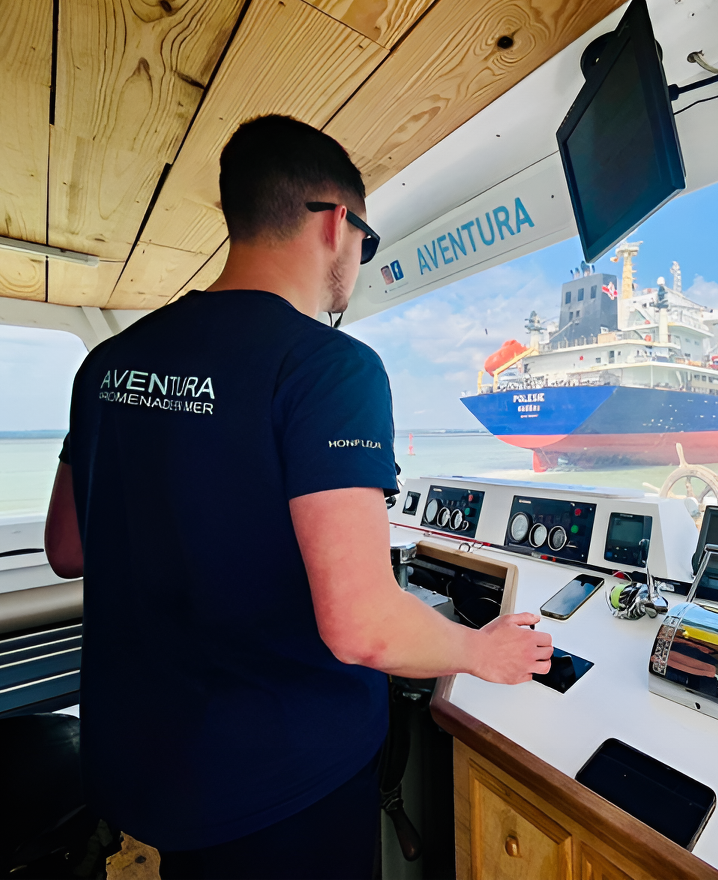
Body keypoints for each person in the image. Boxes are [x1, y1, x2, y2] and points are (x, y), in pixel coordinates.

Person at [43, 114, 553, 879]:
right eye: (367, 244)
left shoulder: (108, 364)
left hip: (148, 767)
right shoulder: (330, 368)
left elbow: (68, 548)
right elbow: (364, 629)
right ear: (337, 224)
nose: (360, 260)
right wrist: (484, 651)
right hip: (279, 786)